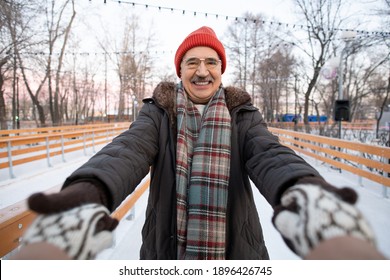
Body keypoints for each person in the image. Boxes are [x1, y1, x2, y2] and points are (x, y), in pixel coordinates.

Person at [20, 26, 378, 260]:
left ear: (221, 70)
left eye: (211, 62)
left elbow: (268, 152)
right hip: (167, 255)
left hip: (236, 254)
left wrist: (303, 187)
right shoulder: (158, 114)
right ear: (180, 71)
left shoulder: (243, 116)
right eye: (192, 62)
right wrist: (92, 188)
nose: (202, 70)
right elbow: (129, 148)